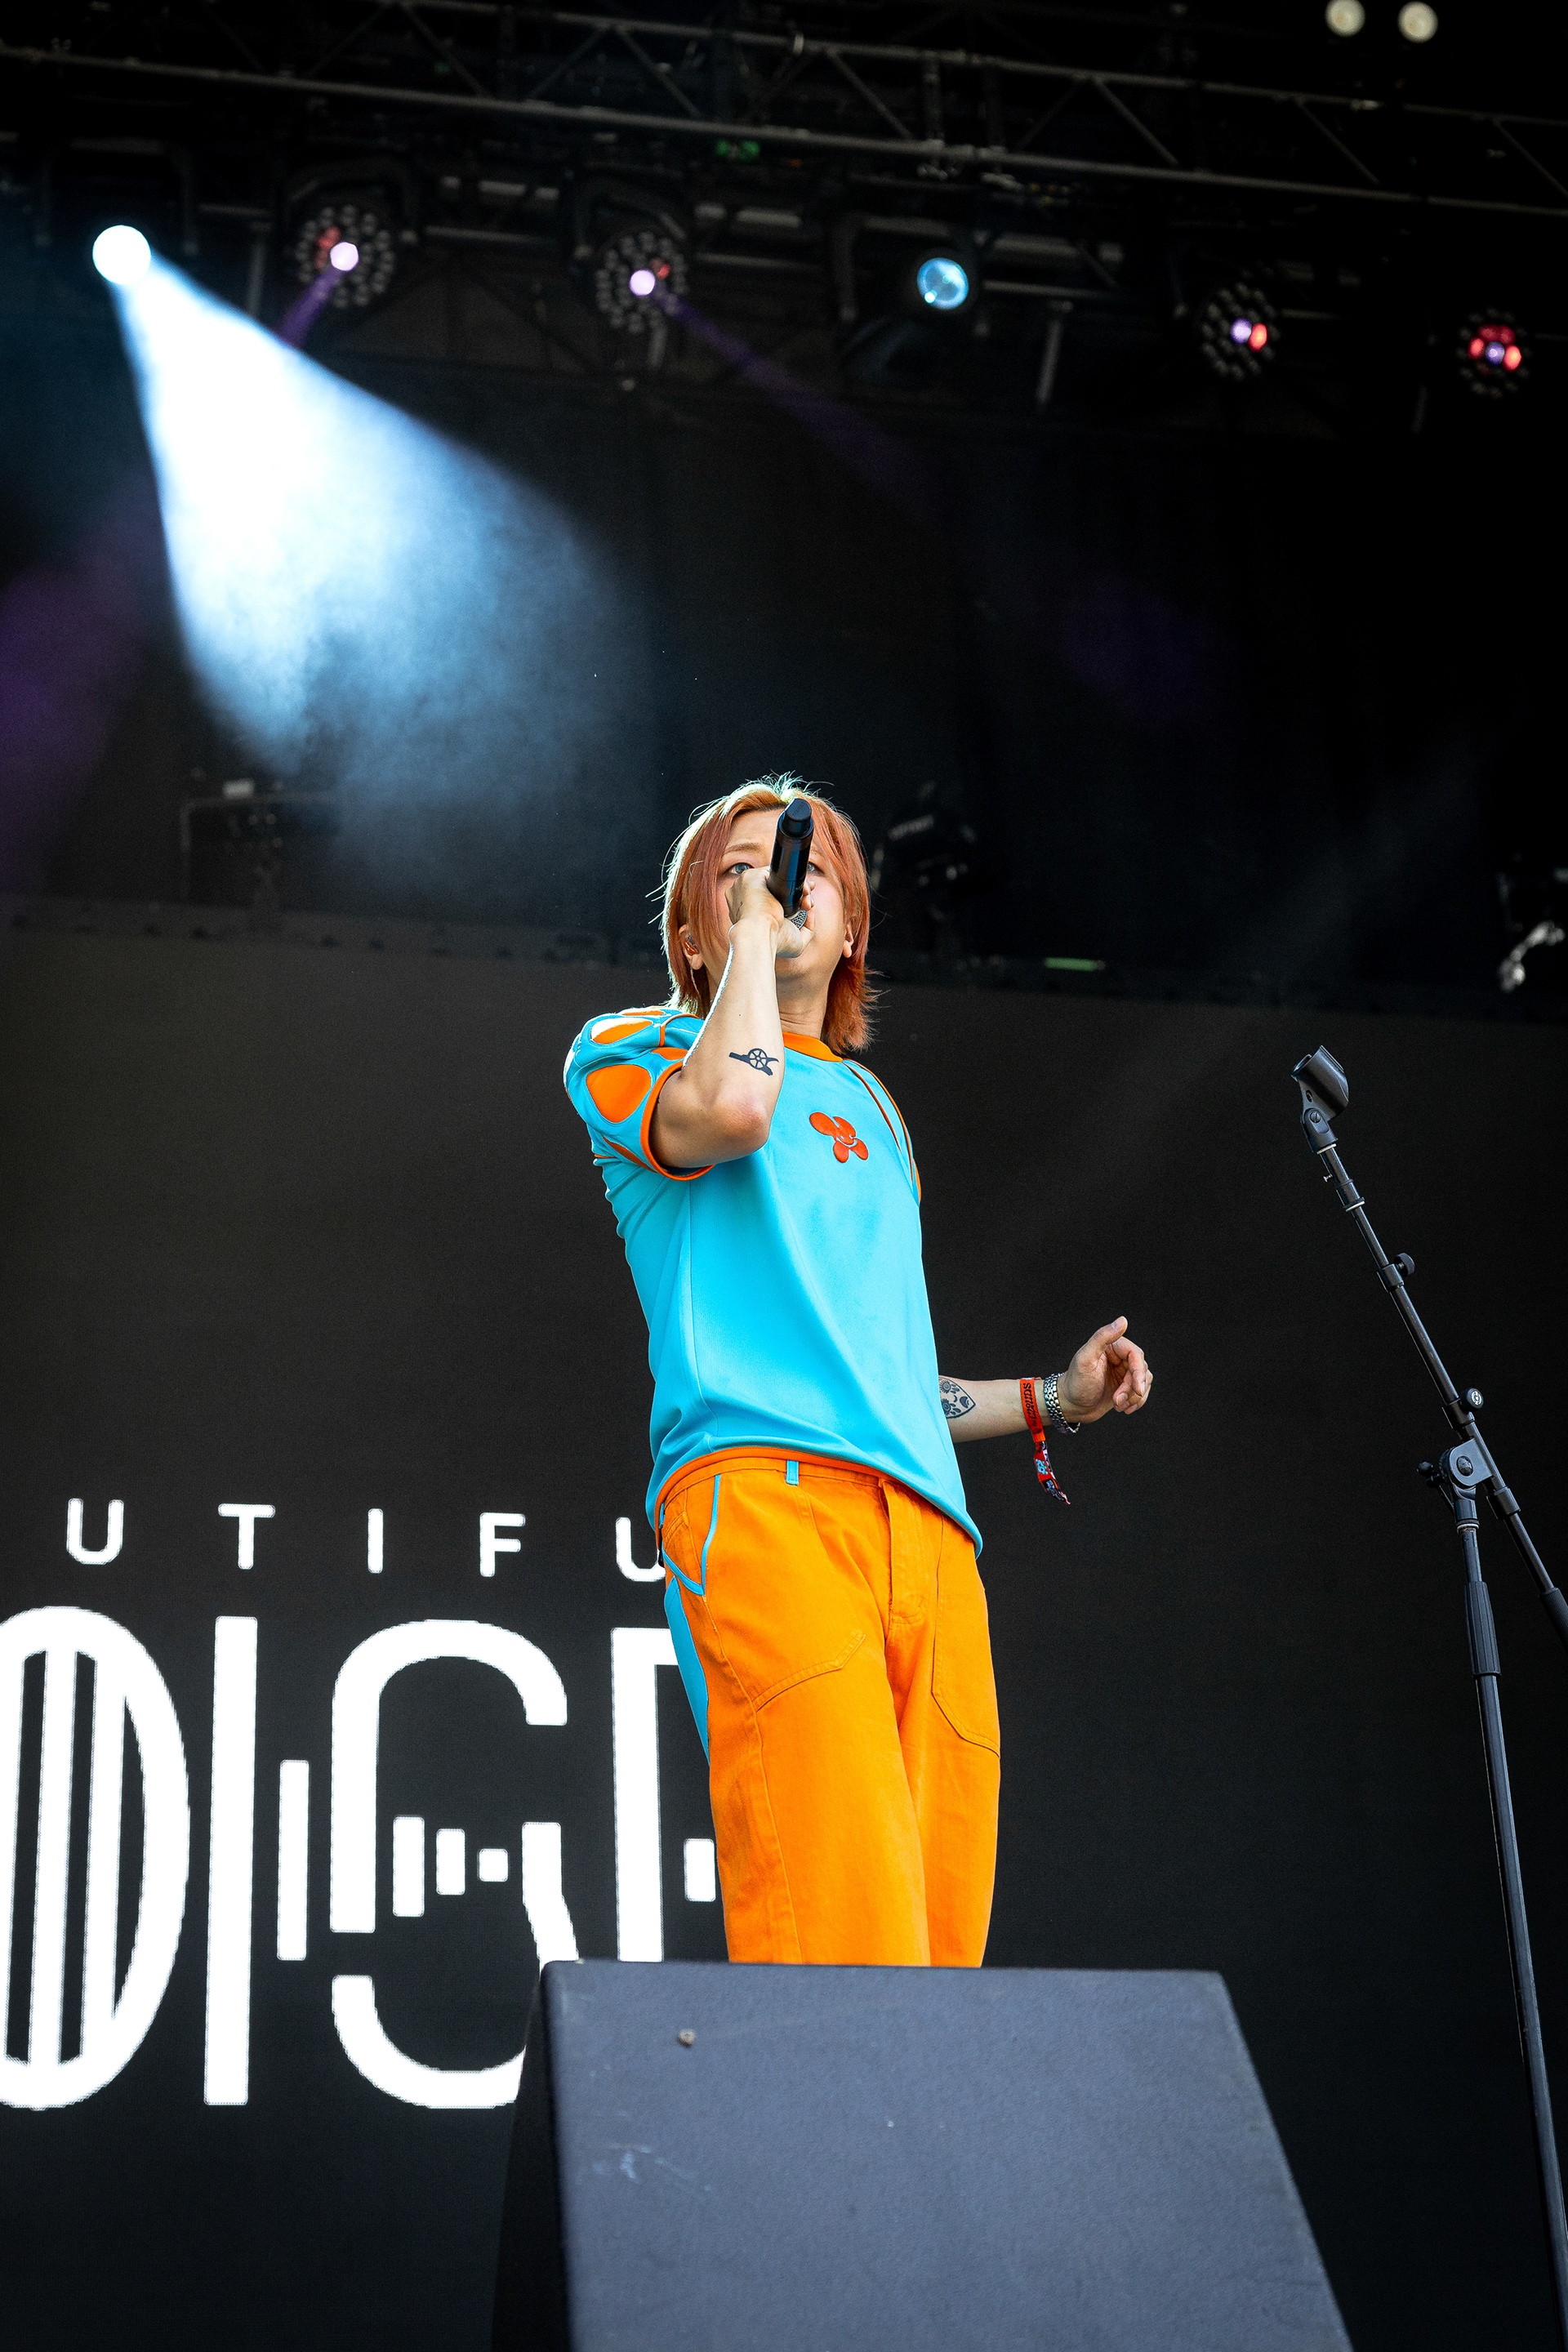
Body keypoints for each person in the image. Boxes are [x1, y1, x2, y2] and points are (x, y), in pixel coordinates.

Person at [564, 776, 1152, 1967]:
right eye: (741, 869)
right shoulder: (631, 1047)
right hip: (766, 1503)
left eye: (808, 868)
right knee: (839, 1936)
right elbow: (734, 1109)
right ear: (692, 934)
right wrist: (752, 947)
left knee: (938, 1956)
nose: (781, 882)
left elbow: (891, 1378)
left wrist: (1053, 1400)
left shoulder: (877, 1107)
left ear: (853, 932)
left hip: (928, 1536)